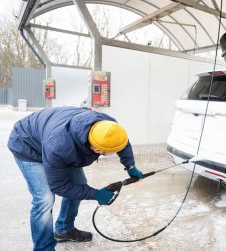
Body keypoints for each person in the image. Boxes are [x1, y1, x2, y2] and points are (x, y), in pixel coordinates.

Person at [7, 106, 143, 251]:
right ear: (96, 149)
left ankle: (64, 230)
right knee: (44, 199)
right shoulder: (59, 147)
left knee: (79, 184)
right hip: (27, 145)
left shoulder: (108, 127)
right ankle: (43, 248)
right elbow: (59, 185)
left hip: (52, 137)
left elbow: (121, 142)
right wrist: (95, 194)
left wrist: (130, 165)